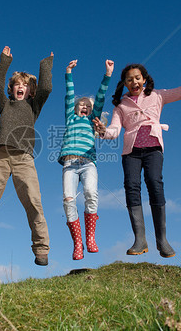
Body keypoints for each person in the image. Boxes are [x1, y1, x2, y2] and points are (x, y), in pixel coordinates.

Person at [93, 44, 181, 258]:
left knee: (155, 184)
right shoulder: (121, 106)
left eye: (137, 78)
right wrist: (103, 131)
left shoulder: (158, 96)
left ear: (144, 79)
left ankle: (162, 240)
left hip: (152, 148)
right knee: (132, 188)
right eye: (130, 79)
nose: (134, 82)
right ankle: (140, 239)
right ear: (125, 83)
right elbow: (114, 130)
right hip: (131, 152)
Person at [0, 46, 53, 266]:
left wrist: (46, 65)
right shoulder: (5, 104)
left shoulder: (33, 107)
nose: (21, 88)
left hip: (24, 157)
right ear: (12, 88)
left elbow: (46, 88)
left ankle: (41, 249)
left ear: (30, 91)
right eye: (17, 85)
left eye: (25, 86)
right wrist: (4, 61)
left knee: (33, 200)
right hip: (1, 156)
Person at [59, 58, 113, 260]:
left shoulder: (92, 121)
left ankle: (90, 238)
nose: (83, 106)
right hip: (70, 164)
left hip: (88, 163)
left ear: (91, 111)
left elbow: (100, 98)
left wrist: (107, 75)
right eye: (80, 105)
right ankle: (77, 244)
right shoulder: (70, 118)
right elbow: (69, 95)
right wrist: (69, 73)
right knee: (68, 200)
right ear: (75, 109)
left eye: (87, 106)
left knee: (91, 193)